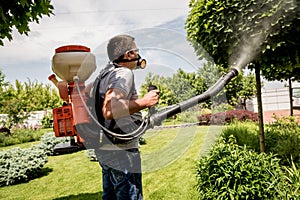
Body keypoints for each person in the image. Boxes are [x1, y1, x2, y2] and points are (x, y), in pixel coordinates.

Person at [94, 34, 159, 200]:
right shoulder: (123, 73)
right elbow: (110, 109)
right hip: (122, 153)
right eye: (136, 51)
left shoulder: (104, 74)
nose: (139, 55)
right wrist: (145, 101)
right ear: (129, 54)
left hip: (106, 151)